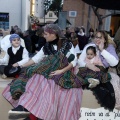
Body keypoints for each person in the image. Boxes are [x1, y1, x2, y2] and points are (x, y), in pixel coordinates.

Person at [3, 24, 83, 120]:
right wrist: (21, 66)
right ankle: (26, 107)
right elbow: (36, 59)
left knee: (42, 80)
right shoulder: (46, 46)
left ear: (53, 34)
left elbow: (73, 61)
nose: (43, 36)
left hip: (65, 72)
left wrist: (60, 71)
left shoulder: (66, 44)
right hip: (50, 70)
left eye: (45, 34)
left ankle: (32, 113)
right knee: (33, 76)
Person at [78, 30, 119, 110]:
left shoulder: (109, 47)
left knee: (112, 83)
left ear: (105, 39)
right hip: (87, 69)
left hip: (102, 71)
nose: (98, 39)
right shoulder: (89, 46)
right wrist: (88, 65)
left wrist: (102, 50)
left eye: (100, 37)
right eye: (96, 37)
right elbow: (80, 60)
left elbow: (114, 63)